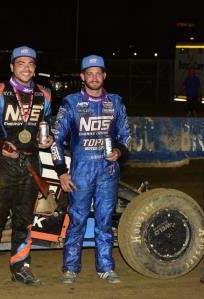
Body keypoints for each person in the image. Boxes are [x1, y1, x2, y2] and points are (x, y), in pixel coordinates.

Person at [0, 45, 54, 289]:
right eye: (21, 64)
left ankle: (21, 267)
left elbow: (47, 125)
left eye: (31, 64)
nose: (26, 68)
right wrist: (1, 145)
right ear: (11, 67)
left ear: (35, 68)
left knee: (25, 220)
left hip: (32, 163)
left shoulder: (45, 94)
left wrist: (49, 138)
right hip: (4, 164)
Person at [51, 55, 131, 284]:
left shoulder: (115, 102)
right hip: (81, 172)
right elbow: (56, 140)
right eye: (89, 73)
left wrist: (118, 151)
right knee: (77, 220)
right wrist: (62, 172)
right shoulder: (71, 103)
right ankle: (70, 268)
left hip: (108, 172)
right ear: (82, 76)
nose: (94, 77)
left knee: (105, 221)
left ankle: (106, 267)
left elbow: (126, 134)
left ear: (104, 75)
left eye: (98, 73)